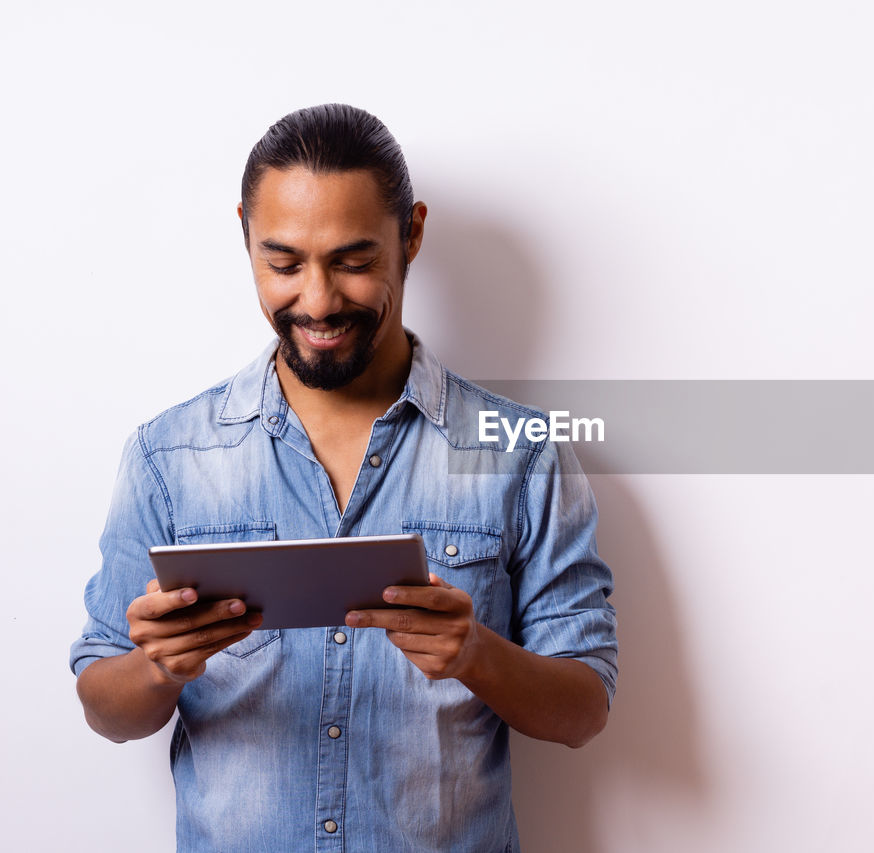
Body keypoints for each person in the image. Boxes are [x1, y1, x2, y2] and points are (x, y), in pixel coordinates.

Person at [69, 103, 618, 852]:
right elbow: (105, 704)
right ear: (245, 236)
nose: (319, 300)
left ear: (412, 235)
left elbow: (584, 710)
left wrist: (475, 653)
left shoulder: (520, 452)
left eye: (354, 262)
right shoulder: (168, 455)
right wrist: (160, 668)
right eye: (284, 262)